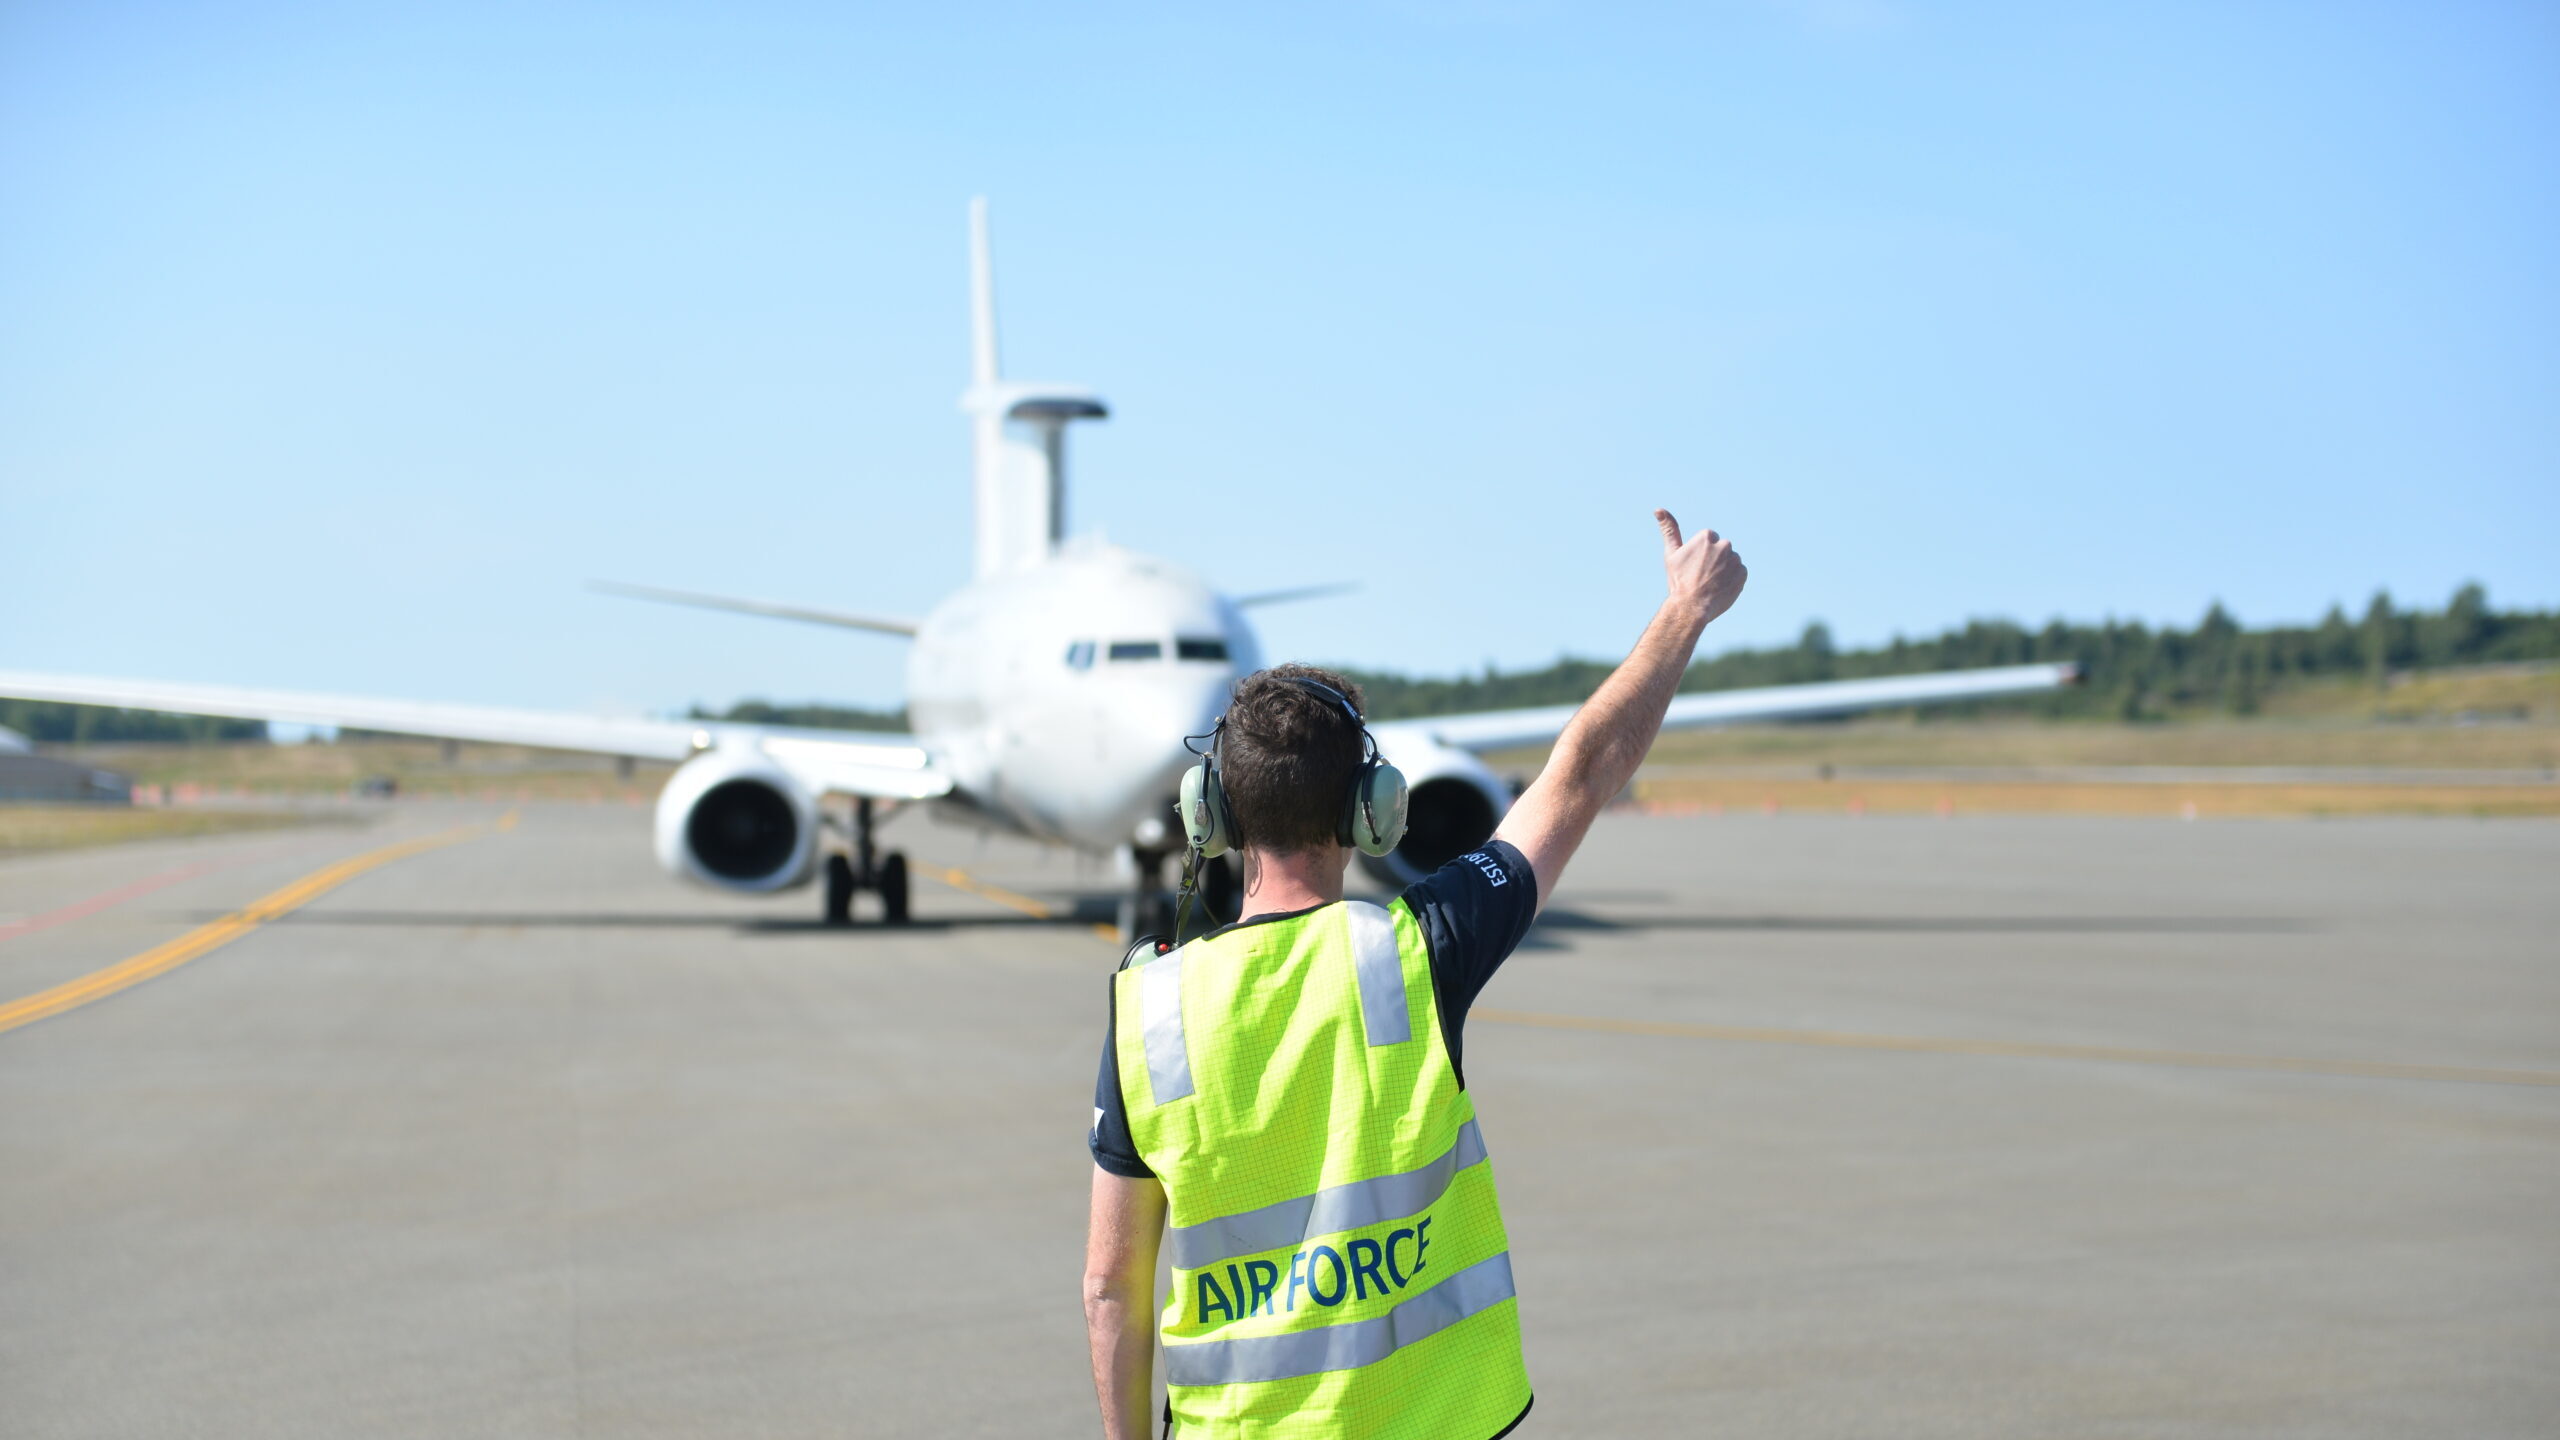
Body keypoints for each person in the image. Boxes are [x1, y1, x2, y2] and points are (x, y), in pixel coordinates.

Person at [1083, 510, 1747, 1439]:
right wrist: (1685, 611)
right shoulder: (1415, 949)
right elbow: (1582, 772)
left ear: (1214, 814)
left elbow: (1111, 1287)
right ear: (1372, 812)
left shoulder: (1148, 1006)